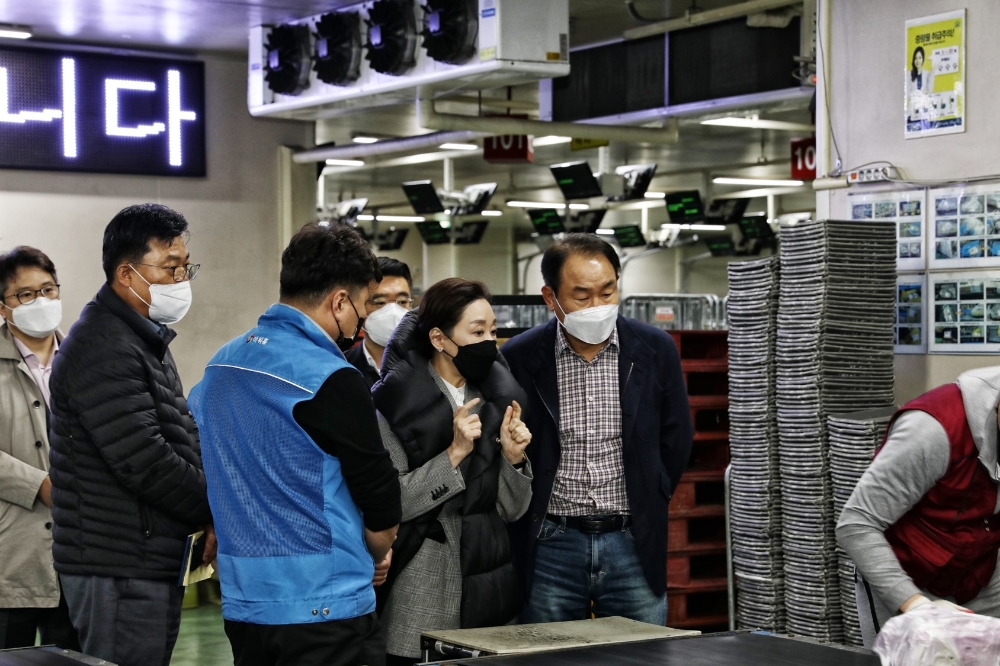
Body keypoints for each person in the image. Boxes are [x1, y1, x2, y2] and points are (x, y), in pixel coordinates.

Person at [188, 223, 401, 666]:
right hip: (325, 608)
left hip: (245, 602)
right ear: (339, 302)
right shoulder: (332, 377)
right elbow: (380, 502)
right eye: (363, 307)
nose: (361, 323)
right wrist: (377, 554)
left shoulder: (221, 364)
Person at [48, 204, 214, 666]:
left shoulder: (142, 336)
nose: (181, 280)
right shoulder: (103, 345)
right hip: (117, 563)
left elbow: (180, 432)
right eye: (170, 268)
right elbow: (144, 459)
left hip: (144, 556)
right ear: (127, 273)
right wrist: (214, 506)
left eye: (185, 267)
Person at [501, 233, 693, 625]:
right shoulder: (519, 356)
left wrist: (651, 493)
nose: (597, 307)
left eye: (607, 293)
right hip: (552, 542)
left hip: (632, 540)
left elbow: (676, 437)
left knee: (640, 650)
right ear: (550, 297)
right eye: (582, 296)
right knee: (550, 650)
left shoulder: (654, 348)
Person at [372, 278, 532, 665]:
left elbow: (513, 510)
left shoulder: (496, 399)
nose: (489, 342)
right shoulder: (395, 404)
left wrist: (513, 459)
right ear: (439, 338)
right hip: (422, 580)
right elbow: (393, 502)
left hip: (487, 573)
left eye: (493, 331)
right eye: (477, 332)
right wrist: (454, 454)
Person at [837, 367, 1000, 647]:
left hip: (981, 569)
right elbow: (857, 524)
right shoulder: (932, 429)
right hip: (908, 576)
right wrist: (916, 607)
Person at [0, 247, 78, 651]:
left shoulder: (84, 360)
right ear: (3, 307)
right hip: (11, 553)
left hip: (80, 551)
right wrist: (37, 484)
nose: (41, 301)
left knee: (73, 655)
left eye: (48, 289)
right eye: (26, 295)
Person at [345, 257, 413, 387]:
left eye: (402, 301)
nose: (393, 312)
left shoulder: (432, 364)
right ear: (359, 307)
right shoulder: (343, 368)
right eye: (380, 302)